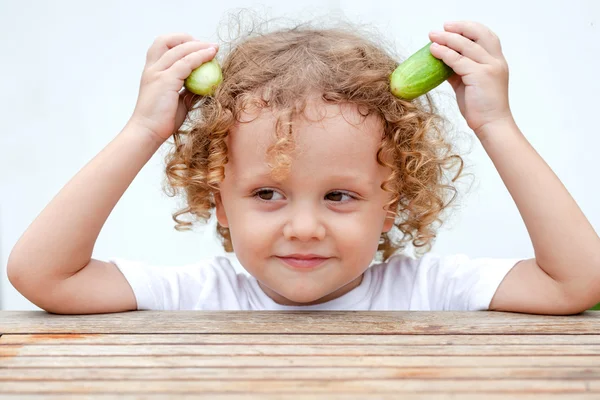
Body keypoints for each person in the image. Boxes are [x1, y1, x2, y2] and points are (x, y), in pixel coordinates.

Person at [7, 19, 600, 315]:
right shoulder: (203, 295)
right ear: (219, 200)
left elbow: (577, 281)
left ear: (392, 199)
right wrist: (144, 131)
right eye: (267, 193)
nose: (304, 228)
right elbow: (42, 275)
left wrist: (495, 124)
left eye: (339, 196)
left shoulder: (426, 290)